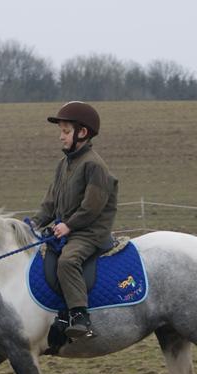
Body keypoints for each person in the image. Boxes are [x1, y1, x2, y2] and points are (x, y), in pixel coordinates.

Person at [34, 101, 119, 339]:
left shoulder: (94, 165)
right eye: (60, 131)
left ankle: (80, 315)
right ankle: (59, 310)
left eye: (65, 131)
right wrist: (33, 223)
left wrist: (69, 225)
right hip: (69, 229)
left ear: (82, 133)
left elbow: (92, 207)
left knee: (67, 261)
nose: (60, 137)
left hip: (90, 232)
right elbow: (50, 203)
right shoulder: (64, 164)